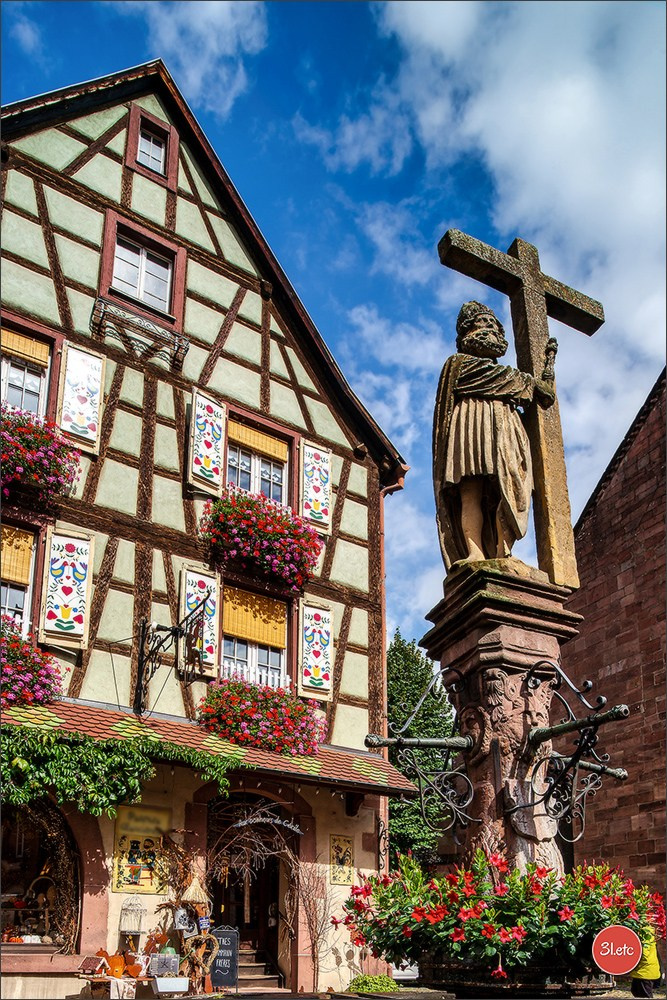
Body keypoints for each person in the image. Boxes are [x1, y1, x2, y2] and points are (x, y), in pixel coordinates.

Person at [433, 301, 557, 569]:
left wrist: (542, 378)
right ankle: (475, 552)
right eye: (482, 322)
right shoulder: (458, 364)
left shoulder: (512, 377)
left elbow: (544, 396)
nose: (489, 328)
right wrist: (532, 384)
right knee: (470, 492)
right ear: (467, 331)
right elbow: (494, 379)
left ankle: (504, 551)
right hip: (470, 426)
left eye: (493, 325)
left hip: (504, 427)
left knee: (509, 487)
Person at [630, 925, 662, 998]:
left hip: (645, 971)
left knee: (645, 995)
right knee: (636, 992)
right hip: (643, 971)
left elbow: (644, 954)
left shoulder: (645, 933)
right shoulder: (648, 932)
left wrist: (633, 963)